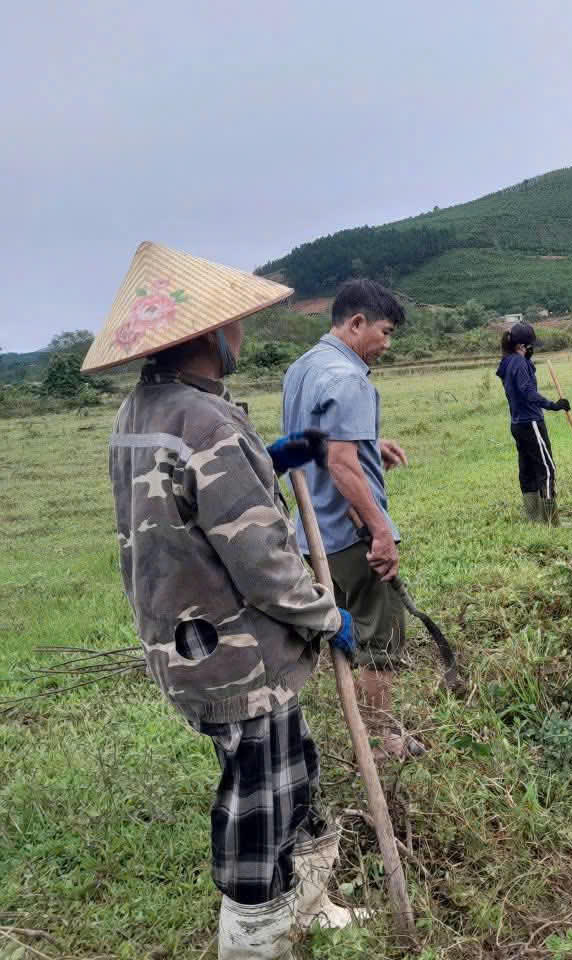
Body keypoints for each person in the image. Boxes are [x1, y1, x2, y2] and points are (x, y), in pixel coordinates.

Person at [86, 242, 362, 957]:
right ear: (209, 335)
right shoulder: (207, 423)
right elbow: (264, 560)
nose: (241, 336)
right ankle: (253, 937)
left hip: (185, 644)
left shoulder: (141, 412)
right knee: (259, 802)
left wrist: (268, 459)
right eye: (234, 325)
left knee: (291, 770)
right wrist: (327, 615)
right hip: (239, 656)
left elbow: (182, 501)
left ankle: (306, 901)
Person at [282, 278, 422, 761]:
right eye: (383, 332)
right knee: (378, 641)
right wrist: (381, 530)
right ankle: (383, 743)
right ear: (356, 322)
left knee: (345, 632)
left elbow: (318, 443)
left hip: (312, 534)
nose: (386, 344)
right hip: (350, 535)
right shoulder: (349, 378)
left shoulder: (303, 368)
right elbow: (340, 463)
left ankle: (361, 735)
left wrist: (368, 443)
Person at [496, 320, 570, 523]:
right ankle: (552, 521)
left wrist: (527, 363)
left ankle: (534, 519)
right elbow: (528, 391)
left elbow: (519, 382)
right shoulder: (519, 362)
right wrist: (553, 405)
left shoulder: (508, 362)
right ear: (521, 347)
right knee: (547, 470)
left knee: (528, 468)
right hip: (532, 422)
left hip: (518, 423)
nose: (532, 350)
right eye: (530, 347)